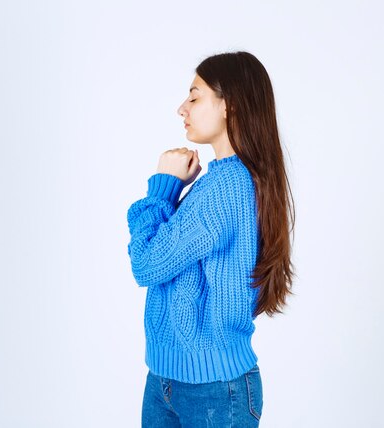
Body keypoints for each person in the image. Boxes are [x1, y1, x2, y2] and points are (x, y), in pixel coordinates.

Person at [126, 51, 296, 427]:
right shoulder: (227, 182)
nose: (181, 108)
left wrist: (163, 188)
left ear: (229, 106)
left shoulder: (225, 188)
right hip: (174, 379)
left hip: (212, 392)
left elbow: (146, 263)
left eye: (194, 96)